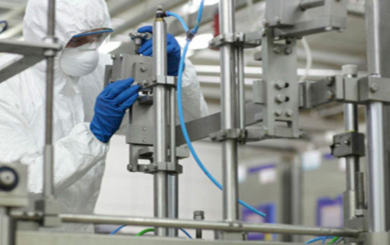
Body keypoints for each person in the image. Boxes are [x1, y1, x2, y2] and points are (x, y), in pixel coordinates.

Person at [0, 0, 207, 232]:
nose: (90, 48)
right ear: (46, 36)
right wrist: (94, 134)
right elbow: (18, 182)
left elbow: (187, 125)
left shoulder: (98, 70)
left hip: (77, 231)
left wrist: (174, 74)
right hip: (15, 233)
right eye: (78, 39)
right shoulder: (7, 80)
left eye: (97, 37)